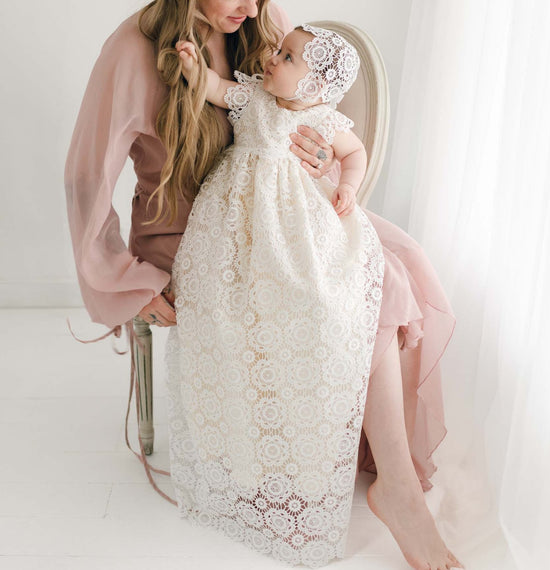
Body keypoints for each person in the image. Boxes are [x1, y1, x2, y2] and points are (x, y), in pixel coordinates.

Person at [64, 1, 462, 569]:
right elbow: (84, 178)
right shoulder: (131, 50)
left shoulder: (256, 24)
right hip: (187, 229)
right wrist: (124, 280)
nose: (253, 8)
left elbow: (310, 116)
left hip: (276, 215)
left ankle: (376, 471)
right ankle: (369, 478)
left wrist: (322, 156)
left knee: (390, 268)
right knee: (333, 293)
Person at [167, 24, 385, 566]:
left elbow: (353, 152)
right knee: (226, 301)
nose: (273, 58)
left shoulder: (321, 119)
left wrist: (347, 188)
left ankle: (294, 452)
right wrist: (196, 70)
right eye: (280, 49)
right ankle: (232, 450)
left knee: (315, 297)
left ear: (317, 86)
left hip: (288, 225)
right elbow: (217, 90)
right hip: (233, 221)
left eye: (287, 57)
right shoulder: (257, 95)